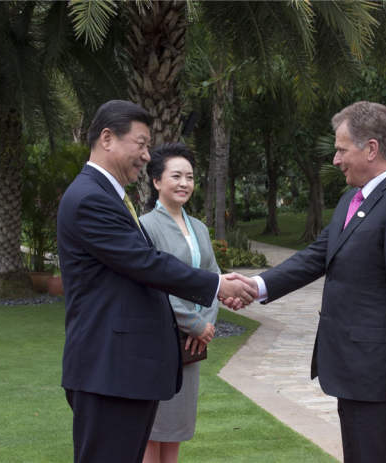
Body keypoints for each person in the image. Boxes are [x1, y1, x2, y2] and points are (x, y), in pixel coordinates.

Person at [229, 101, 386, 463]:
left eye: (341, 150)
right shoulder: (352, 198)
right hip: (354, 371)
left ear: (371, 148)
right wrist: (256, 286)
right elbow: (316, 256)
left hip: (380, 377)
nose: (336, 160)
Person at [57, 100, 256, 463]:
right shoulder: (90, 198)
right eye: (141, 144)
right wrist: (216, 285)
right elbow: (146, 263)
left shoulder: (107, 195)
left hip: (123, 372)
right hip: (109, 371)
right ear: (107, 138)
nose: (147, 156)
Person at [139, 143, 219, 463]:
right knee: (152, 429)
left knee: (176, 429)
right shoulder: (145, 226)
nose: (184, 183)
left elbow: (213, 277)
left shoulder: (199, 227)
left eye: (190, 177)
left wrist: (207, 323)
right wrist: (195, 323)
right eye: (176, 176)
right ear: (157, 181)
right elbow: (154, 282)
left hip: (191, 344)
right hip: (159, 340)